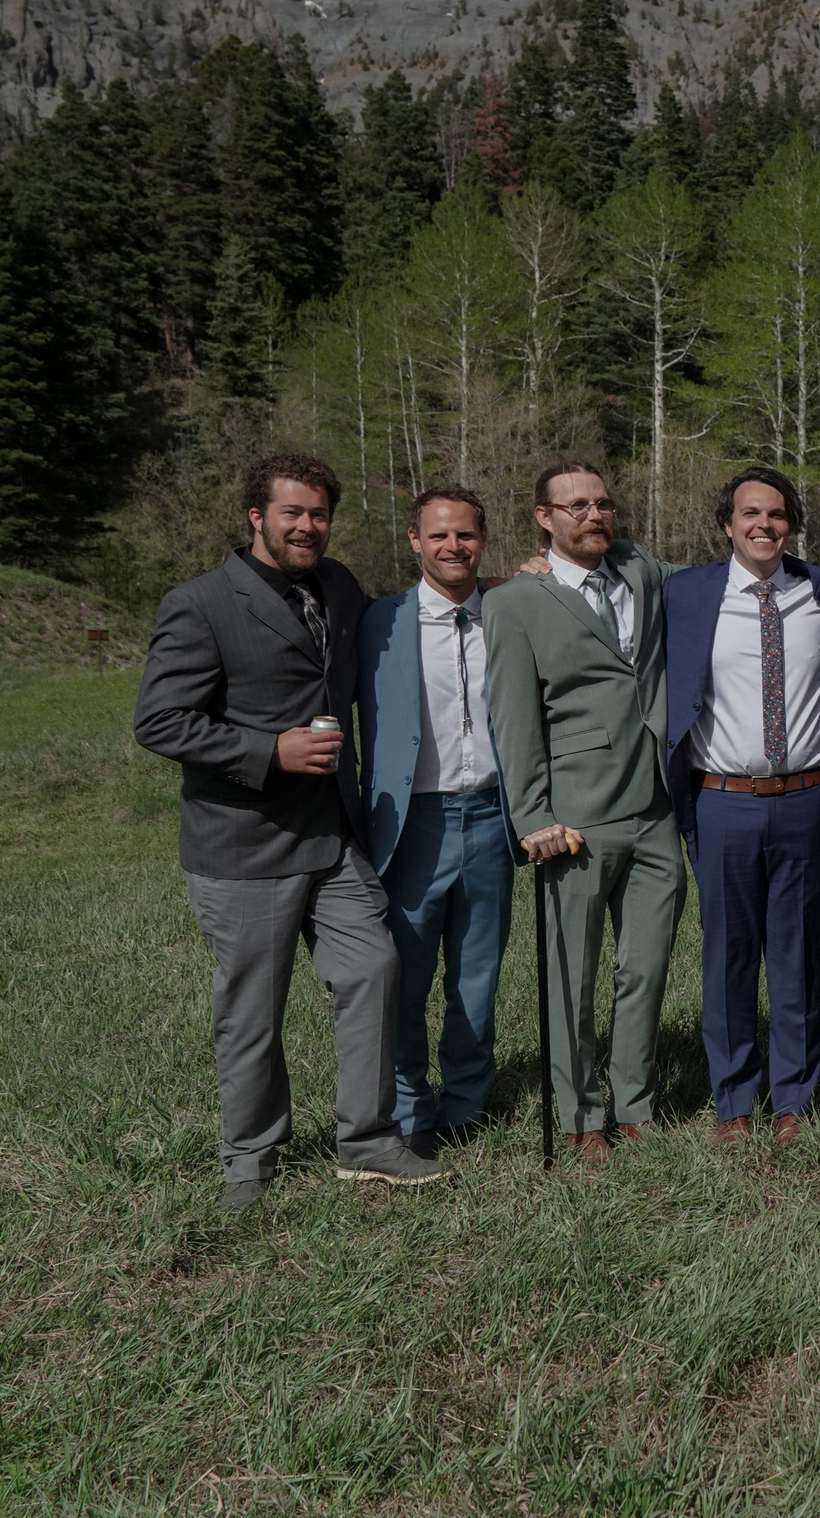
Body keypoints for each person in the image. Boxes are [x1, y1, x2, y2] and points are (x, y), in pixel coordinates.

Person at [134, 452, 440, 1210]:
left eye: (319, 514)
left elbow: (401, 620)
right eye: (292, 513)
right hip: (244, 843)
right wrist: (269, 751)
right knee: (252, 1013)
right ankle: (250, 1163)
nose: (308, 526)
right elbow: (159, 720)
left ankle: (367, 1142)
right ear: (257, 517)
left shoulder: (338, 586)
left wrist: (493, 587)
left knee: (372, 969)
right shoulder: (201, 603)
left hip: (332, 835)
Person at [482, 461, 680, 1167]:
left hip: (656, 805)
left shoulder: (641, 571)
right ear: (544, 516)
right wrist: (531, 815)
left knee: (646, 969)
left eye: (602, 503)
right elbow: (513, 719)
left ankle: (634, 1104)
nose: (594, 515)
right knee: (572, 976)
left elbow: (733, 575)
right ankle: (578, 1112)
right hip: (573, 818)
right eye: (576, 506)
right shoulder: (513, 603)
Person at [664, 467, 820, 1144]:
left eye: (776, 514)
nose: (763, 525)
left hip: (804, 800)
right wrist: (527, 571)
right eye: (750, 513)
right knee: (729, 956)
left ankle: (794, 1098)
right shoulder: (687, 593)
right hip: (722, 802)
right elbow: (609, 576)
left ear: (790, 525)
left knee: (797, 953)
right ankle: (734, 1102)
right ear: (728, 524)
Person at [356, 484, 513, 1160]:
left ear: (484, 540)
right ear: (415, 540)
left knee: (477, 975)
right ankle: (410, 1107)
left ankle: (466, 1102)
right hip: (412, 820)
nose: (454, 546)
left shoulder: (507, 614)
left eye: (466, 534)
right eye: (439, 534)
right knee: (406, 976)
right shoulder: (380, 622)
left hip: (492, 814)